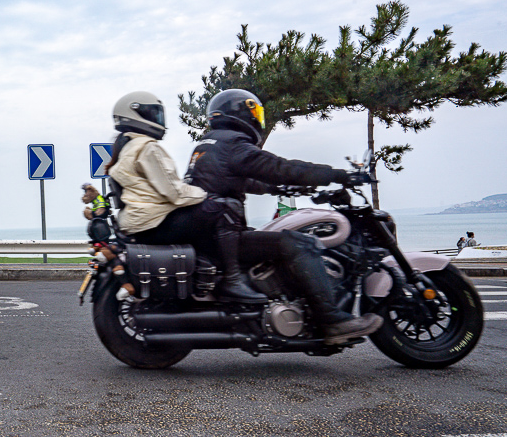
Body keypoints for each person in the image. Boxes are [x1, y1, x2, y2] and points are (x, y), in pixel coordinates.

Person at [182, 88, 383, 345]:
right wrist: (338, 175)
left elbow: (244, 180)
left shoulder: (210, 145)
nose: (257, 117)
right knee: (300, 243)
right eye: (254, 110)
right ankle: (333, 320)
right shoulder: (233, 144)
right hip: (219, 236)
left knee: (276, 241)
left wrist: (278, 188)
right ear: (241, 113)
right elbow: (281, 168)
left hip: (210, 233)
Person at [105, 90, 268, 304]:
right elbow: (175, 193)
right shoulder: (147, 148)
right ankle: (232, 280)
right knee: (225, 209)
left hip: (142, 221)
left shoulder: (128, 146)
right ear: (136, 114)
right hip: (154, 222)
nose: (158, 119)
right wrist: (204, 194)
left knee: (207, 214)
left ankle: (206, 271)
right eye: (153, 113)